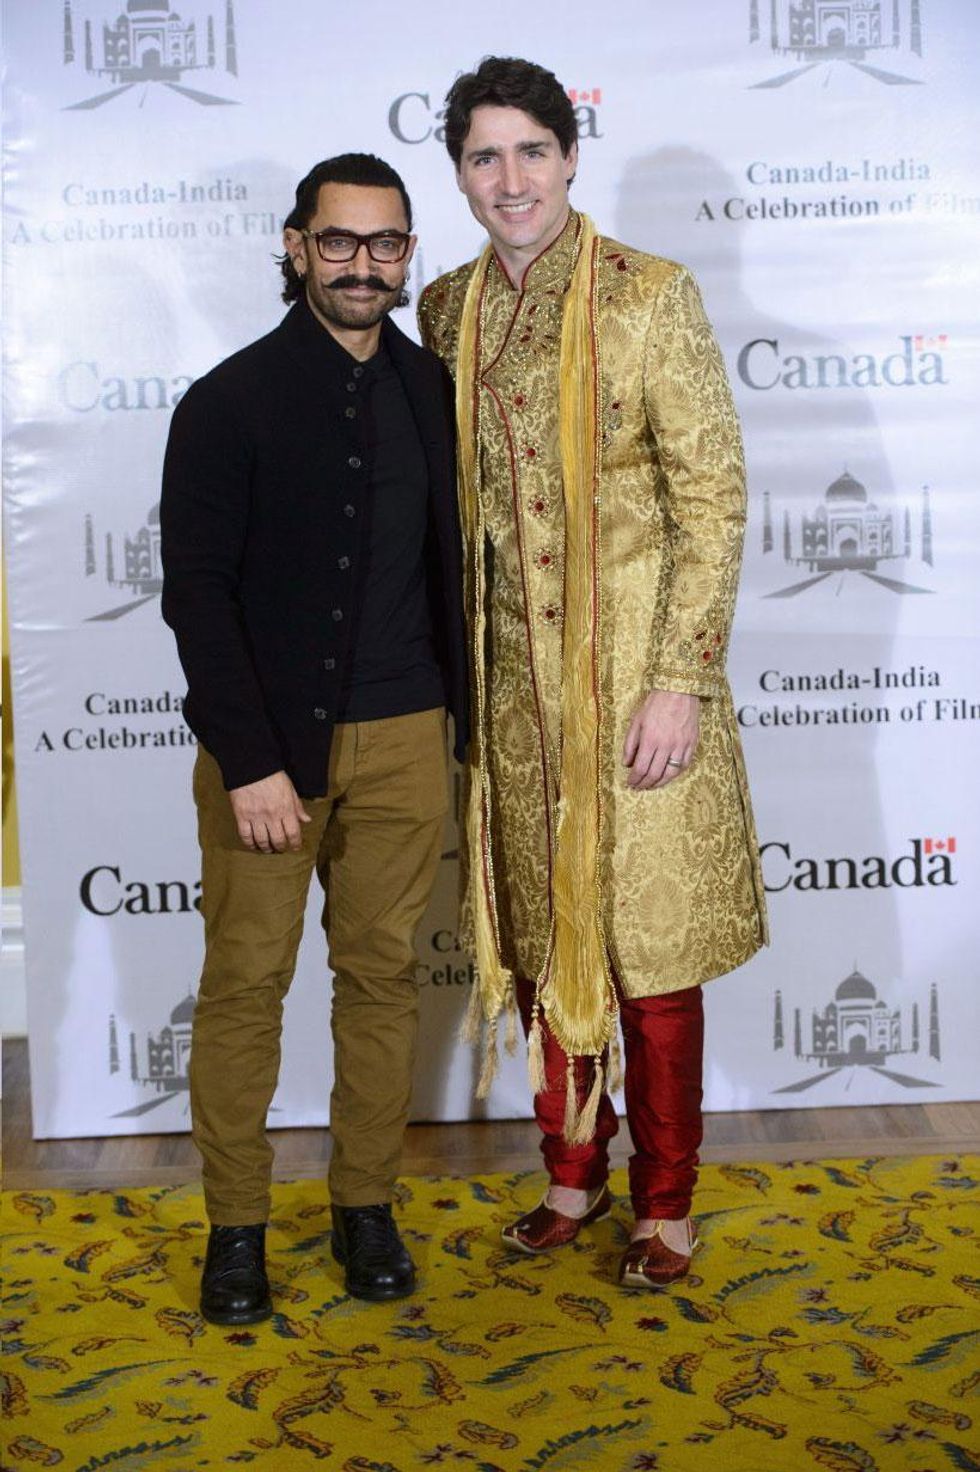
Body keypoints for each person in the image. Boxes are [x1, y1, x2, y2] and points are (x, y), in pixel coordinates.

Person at [418, 58, 767, 1288]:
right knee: (536, 940)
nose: (508, 180)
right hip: (512, 696)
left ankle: (664, 1205)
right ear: (455, 170)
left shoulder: (645, 296)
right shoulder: (447, 308)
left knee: (645, 956)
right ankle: (571, 1176)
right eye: (481, 157)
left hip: (633, 682)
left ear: (571, 155)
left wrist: (678, 678)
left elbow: (711, 499)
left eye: (529, 151)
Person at [161, 153, 467, 1323]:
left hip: (404, 736)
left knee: (382, 979)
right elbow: (198, 593)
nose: (361, 265)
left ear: (405, 255)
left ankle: (364, 1205)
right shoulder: (227, 400)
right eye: (337, 242)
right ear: (294, 246)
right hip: (269, 756)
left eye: (384, 244)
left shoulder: (430, 390)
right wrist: (249, 760)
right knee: (245, 983)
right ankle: (236, 1227)